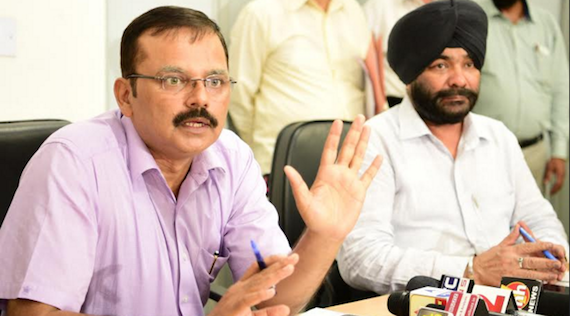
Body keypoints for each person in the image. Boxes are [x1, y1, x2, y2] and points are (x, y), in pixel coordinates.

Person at [0, 6, 382, 316]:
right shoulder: (74, 160)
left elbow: (272, 298)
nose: (200, 98)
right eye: (174, 80)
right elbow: (35, 314)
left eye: (215, 81)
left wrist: (326, 236)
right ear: (125, 96)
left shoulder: (232, 158)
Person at [337, 0, 569, 294]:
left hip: (508, 301)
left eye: (469, 64)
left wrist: (548, 256)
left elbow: (540, 220)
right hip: (421, 306)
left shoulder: (498, 137)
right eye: (441, 65)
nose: (459, 79)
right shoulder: (376, 140)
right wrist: (470, 270)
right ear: (410, 75)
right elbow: (360, 258)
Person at [228, 0, 385, 177]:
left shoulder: (352, 10)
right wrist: (262, 152)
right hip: (284, 165)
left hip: (348, 166)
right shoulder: (260, 13)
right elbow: (237, 94)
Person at [472, 0, 569, 195]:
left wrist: (559, 151)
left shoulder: (546, 24)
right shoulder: (473, 19)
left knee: (531, 223)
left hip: (534, 154)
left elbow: (560, 89)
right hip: (482, 151)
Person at [362, 0, 432, 108]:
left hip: (432, 104)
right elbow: (368, 58)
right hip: (391, 102)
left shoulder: (448, 11)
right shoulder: (378, 6)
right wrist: (380, 104)